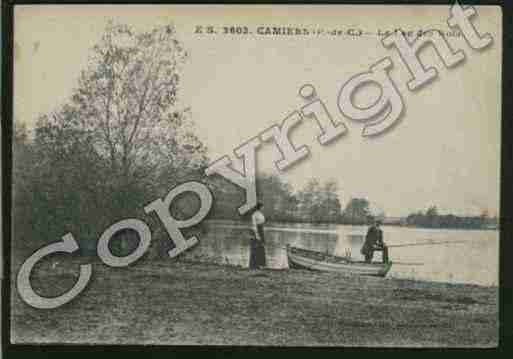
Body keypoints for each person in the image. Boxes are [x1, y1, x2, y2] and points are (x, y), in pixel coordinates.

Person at [249, 202, 267, 269]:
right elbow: (254, 226)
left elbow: (262, 223)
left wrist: (262, 234)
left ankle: (260, 264)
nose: (263, 208)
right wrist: (257, 235)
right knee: (255, 248)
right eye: (262, 207)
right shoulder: (254, 215)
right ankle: (254, 265)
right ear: (259, 207)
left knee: (261, 248)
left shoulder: (260, 214)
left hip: (261, 231)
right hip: (256, 231)